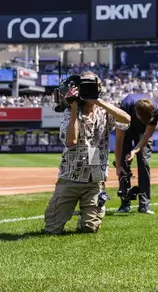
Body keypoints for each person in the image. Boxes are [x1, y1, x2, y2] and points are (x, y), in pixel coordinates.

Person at [43, 72, 131, 234]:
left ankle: (86, 219)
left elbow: (126, 120)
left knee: (90, 228)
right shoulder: (70, 113)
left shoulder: (104, 112)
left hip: (95, 178)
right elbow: (71, 141)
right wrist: (75, 106)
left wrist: (98, 100)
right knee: (52, 229)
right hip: (71, 177)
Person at [114, 94, 158, 214]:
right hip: (126, 130)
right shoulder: (124, 108)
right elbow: (119, 139)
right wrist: (118, 165)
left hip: (143, 134)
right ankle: (125, 202)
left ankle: (144, 205)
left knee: (144, 162)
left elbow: (147, 135)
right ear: (136, 114)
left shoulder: (155, 110)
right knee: (124, 163)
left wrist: (135, 150)